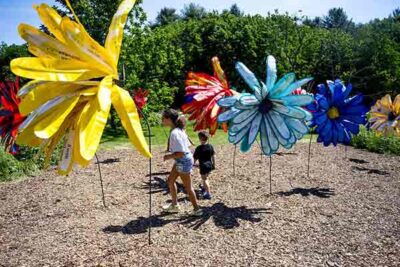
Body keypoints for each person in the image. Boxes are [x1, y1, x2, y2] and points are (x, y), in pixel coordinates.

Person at [161, 109, 202, 216]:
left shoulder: (175, 132)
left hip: (183, 161)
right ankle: (175, 206)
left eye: (163, 118)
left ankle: (197, 210)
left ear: (169, 119)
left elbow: (181, 153)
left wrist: (168, 156)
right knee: (170, 180)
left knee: (188, 187)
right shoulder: (178, 130)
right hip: (182, 160)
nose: (162, 120)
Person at [193, 131, 215, 200]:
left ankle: (208, 194)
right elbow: (213, 156)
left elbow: (195, 158)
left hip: (203, 166)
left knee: (204, 179)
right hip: (209, 165)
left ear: (200, 139)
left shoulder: (199, 148)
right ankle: (204, 187)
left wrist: (192, 164)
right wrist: (214, 164)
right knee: (206, 177)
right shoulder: (210, 146)